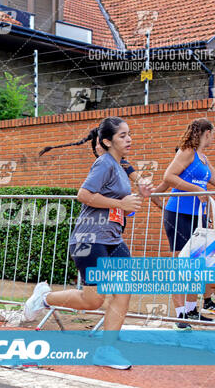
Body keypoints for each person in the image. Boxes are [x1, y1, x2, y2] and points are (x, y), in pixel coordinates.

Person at [26, 117, 152, 369]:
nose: (129, 139)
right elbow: (83, 195)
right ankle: (45, 297)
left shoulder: (118, 165)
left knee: (124, 291)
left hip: (113, 239)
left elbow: (119, 206)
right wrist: (121, 203)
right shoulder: (104, 163)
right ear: (107, 141)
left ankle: (107, 350)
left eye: (129, 134)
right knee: (93, 300)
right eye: (123, 136)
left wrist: (138, 196)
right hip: (90, 238)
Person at [163, 118, 215, 330]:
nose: (213, 138)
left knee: (197, 266)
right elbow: (168, 176)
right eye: (212, 134)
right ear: (206, 133)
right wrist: (196, 189)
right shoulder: (187, 151)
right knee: (180, 266)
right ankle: (180, 315)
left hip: (199, 217)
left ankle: (192, 310)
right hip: (178, 213)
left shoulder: (204, 158)